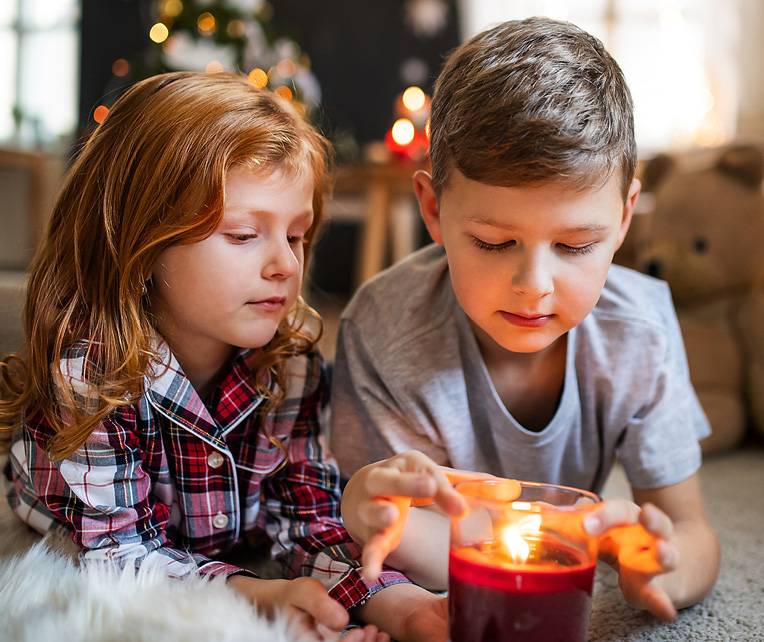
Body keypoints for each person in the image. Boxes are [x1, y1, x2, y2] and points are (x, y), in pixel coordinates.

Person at [0, 70, 441, 642]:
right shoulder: (90, 377)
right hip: (83, 522)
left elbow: (308, 518)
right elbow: (121, 557)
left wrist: (403, 609)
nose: (284, 264)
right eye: (241, 235)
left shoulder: (292, 366)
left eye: (297, 235)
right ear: (140, 239)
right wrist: (266, 598)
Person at [331, 16, 721, 626]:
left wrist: (656, 564)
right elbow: (396, 548)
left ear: (623, 221)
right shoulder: (384, 334)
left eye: (574, 247)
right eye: (492, 242)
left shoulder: (638, 329)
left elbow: (692, 529)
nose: (534, 286)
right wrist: (374, 517)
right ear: (433, 209)